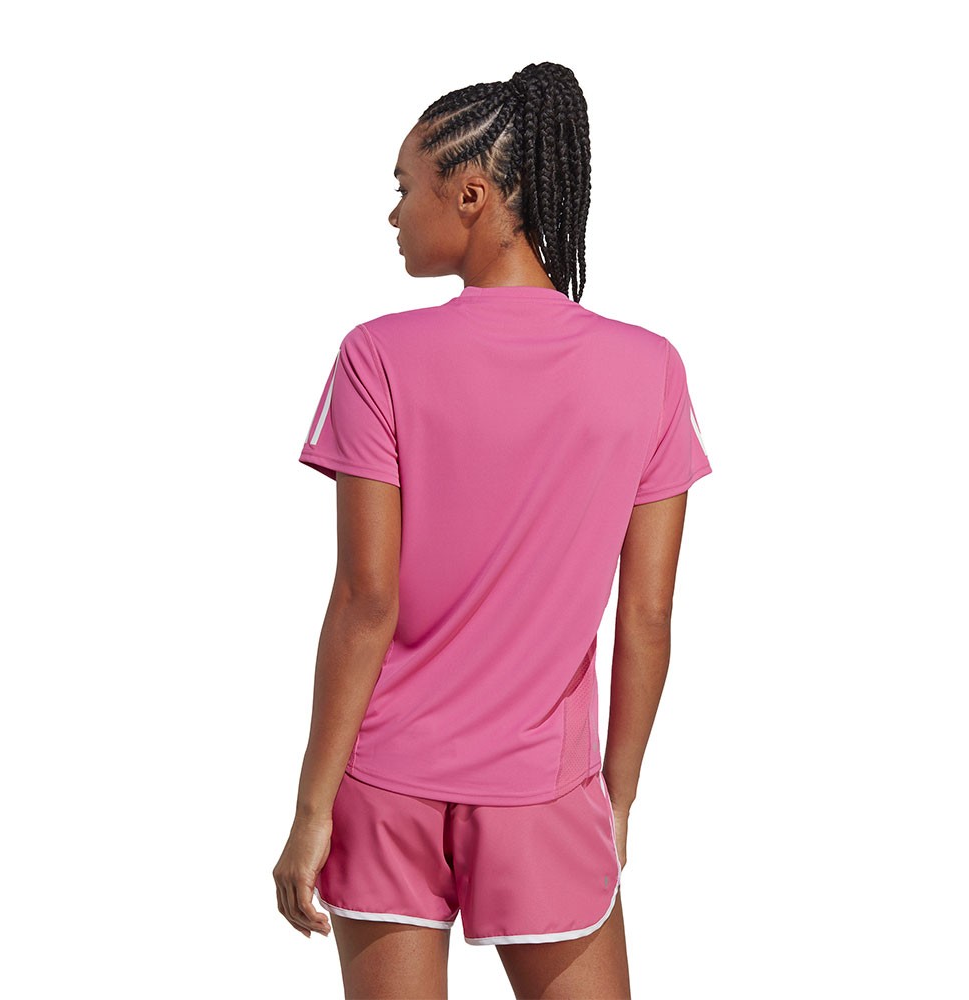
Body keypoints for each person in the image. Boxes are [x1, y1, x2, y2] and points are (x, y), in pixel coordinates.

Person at [273, 61, 712, 999]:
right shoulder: (649, 370)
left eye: (405, 188)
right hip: (543, 790)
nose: (394, 214)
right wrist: (618, 797)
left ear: (470, 196)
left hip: (385, 782)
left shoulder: (377, 357)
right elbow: (647, 614)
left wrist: (312, 810)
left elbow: (366, 600)